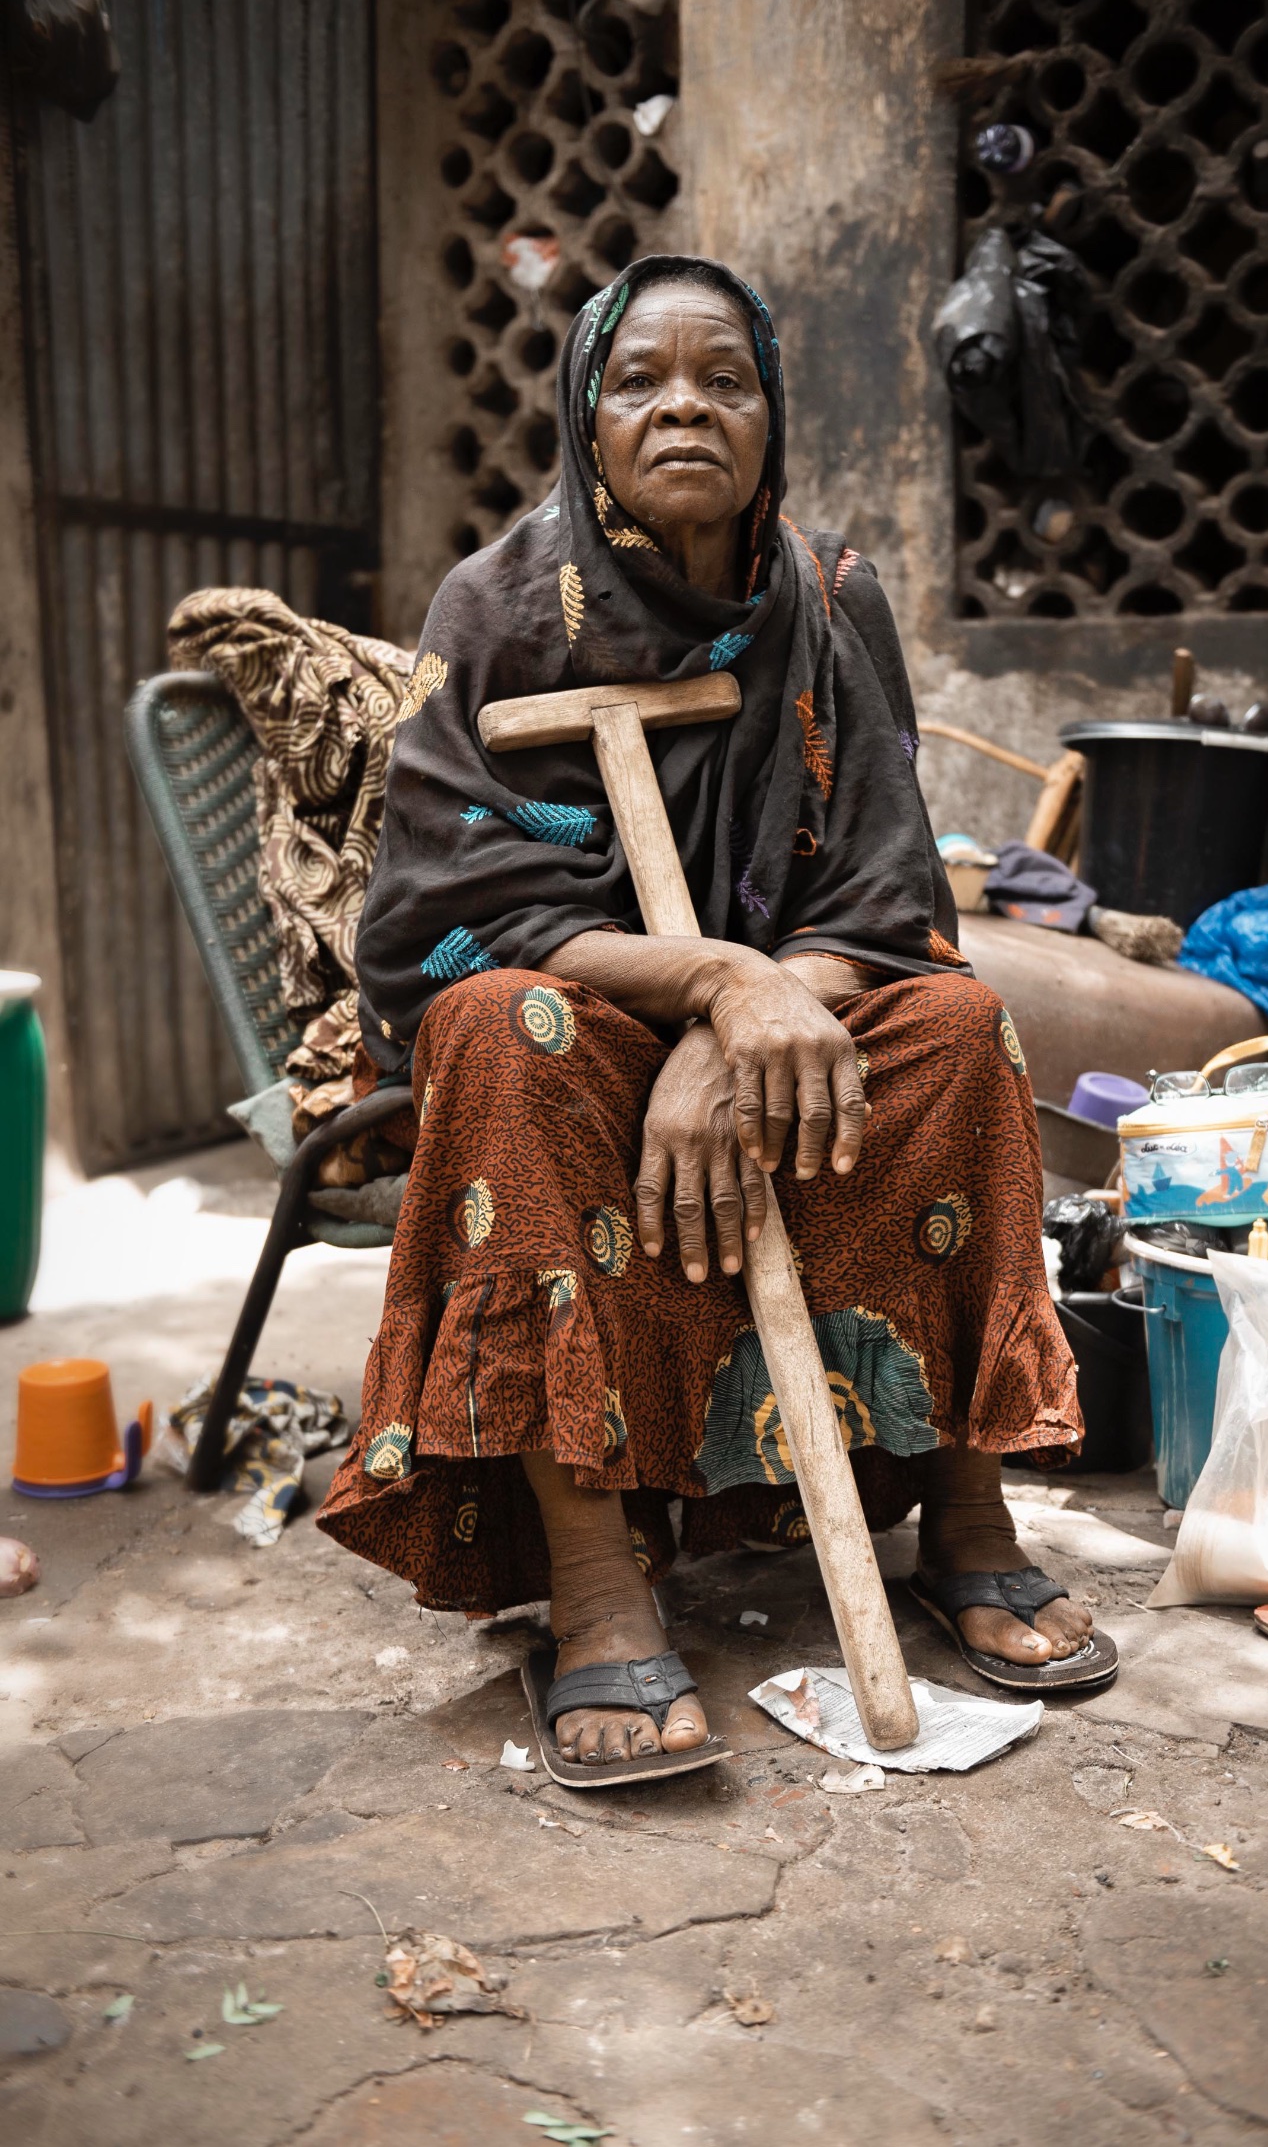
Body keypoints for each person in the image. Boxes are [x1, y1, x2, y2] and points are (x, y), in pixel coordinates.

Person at [318, 254, 1116, 1784]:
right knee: (499, 1028)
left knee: (957, 1026)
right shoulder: (488, 612)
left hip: (783, 1033)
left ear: (771, 416)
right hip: (587, 1019)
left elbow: (889, 902)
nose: (683, 403)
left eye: (725, 378)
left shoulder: (828, 602)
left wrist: (756, 1012)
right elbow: (436, 920)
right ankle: (599, 1576)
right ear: (585, 414)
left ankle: (963, 1512)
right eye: (641, 379)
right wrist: (707, 984)